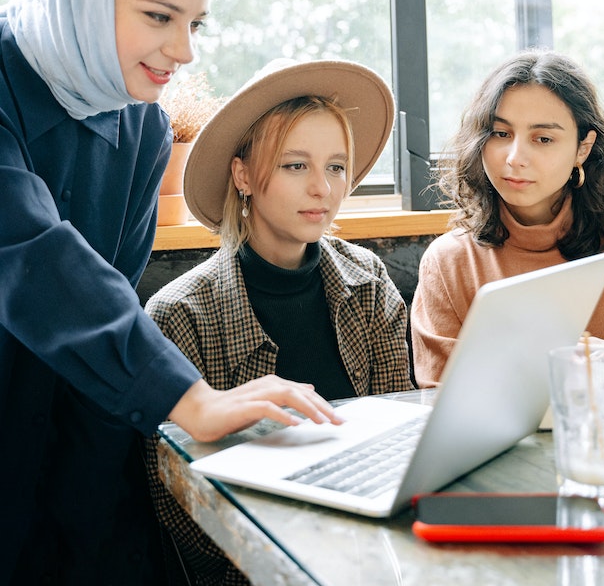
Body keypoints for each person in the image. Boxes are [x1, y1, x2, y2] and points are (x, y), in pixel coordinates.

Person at [0, 0, 341, 586]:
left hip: (71, 431)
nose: (182, 51)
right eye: (158, 16)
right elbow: (33, 257)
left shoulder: (144, 129)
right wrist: (195, 400)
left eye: (194, 24)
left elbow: (113, 302)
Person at [144, 58, 414, 585]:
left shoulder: (370, 283)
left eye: (336, 167)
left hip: (378, 547)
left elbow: (396, 432)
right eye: (296, 165)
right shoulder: (180, 316)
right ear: (243, 175)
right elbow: (181, 509)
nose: (324, 189)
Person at [411, 48, 604, 388]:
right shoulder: (450, 263)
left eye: (543, 139)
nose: (515, 158)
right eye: (500, 134)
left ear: (583, 147)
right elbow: (440, 404)